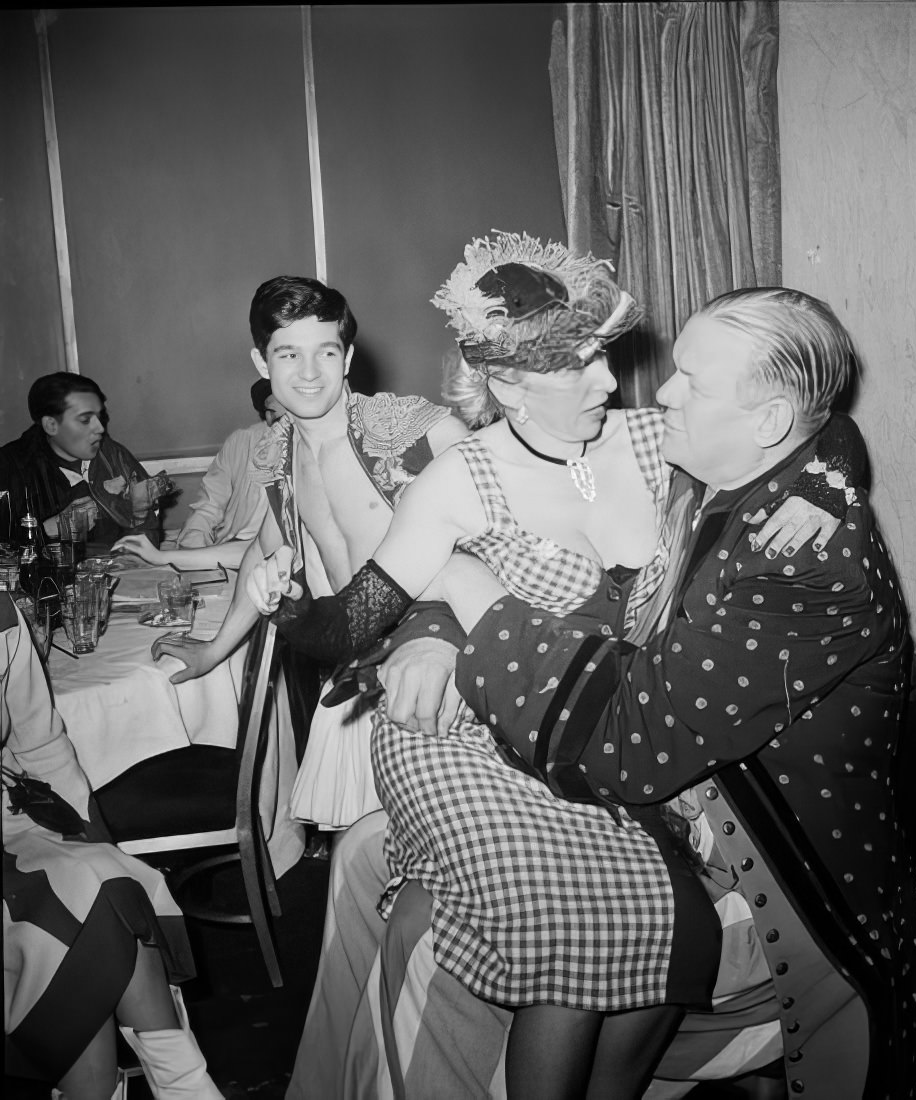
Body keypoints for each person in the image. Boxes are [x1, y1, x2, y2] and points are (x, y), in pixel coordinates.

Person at [251, 234, 864, 1100]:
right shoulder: (456, 483)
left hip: (594, 731)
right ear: (507, 385)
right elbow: (349, 623)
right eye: (578, 367)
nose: (610, 381)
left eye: (604, 358)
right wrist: (286, 607)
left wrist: (825, 483)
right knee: (567, 918)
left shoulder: (657, 442)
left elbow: (812, 424)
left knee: (648, 910)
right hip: (463, 738)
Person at [439, 287, 916, 1097]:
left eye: (691, 382)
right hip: (700, 828)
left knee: (509, 933)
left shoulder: (802, 563)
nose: (660, 392)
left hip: (794, 902)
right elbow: (819, 420)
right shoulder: (715, 478)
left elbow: (631, 744)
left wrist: (469, 592)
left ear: (768, 424)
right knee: (426, 876)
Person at [149, 275, 470, 833]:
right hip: (353, 670)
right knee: (368, 859)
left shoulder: (420, 431)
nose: (309, 373)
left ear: (347, 357)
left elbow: (510, 543)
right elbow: (263, 550)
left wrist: (450, 646)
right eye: (288, 354)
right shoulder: (278, 457)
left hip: (437, 669)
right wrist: (214, 650)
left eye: (326, 351)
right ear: (261, 360)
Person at [2, 591, 222, 1100]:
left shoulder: (0, 615)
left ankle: (183, 1086)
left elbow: (40, 742)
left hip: (13, 824)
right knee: (74, 917)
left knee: (107, 877)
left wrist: (84, 832)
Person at [112, 379, 289, 571]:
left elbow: (266, 549)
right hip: (223, 552)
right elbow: (208, 507)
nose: (273, 423)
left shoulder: (313, 467)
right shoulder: (242, 441)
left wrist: (166, 558)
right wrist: (190, 552)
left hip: (269, 565)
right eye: (270, 413)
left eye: (282, 414)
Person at [0, 373, 170, 548]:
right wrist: (49, 529)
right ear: (51, 425)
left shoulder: (112, 454)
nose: (100, 428)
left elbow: (148, 534)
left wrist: (140, 514)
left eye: (100, 416)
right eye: (85, 419)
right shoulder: (11, 468)